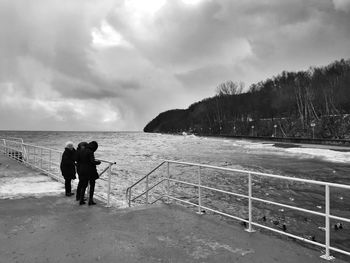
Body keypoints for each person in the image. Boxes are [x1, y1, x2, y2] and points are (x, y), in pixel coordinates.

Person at [79, 141, 101, 205]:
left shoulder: (82, 150)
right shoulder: (90, 152)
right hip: (90, 171)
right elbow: (92, 161)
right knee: (92, 186)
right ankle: (90, 201)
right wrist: (98, 162)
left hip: (82, 170)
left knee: (84, 185)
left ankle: (81, 200)